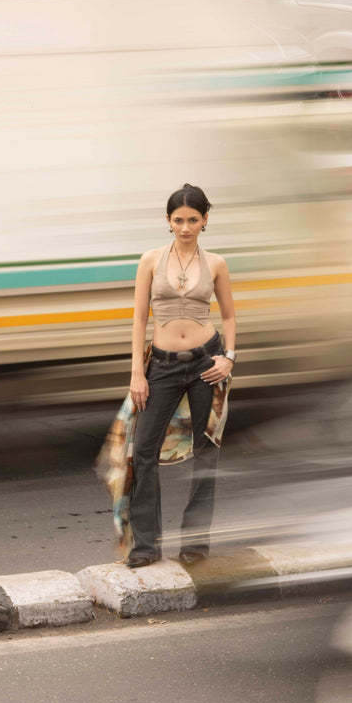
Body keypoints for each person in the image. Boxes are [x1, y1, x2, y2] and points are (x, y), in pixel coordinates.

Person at [127, 183, 236, 569]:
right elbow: (140, 318)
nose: (185, 227)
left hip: (207, 362)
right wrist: (137, 373)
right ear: (168, 221)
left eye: (193, 219)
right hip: (163, 364)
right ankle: (145, 546)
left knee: (206, 453)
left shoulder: (217, 263)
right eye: (178, 220)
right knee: (143, 451)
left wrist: (229, 357)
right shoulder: (151, 260)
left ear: (204, 220)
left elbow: (229, 316)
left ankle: (195, 543)